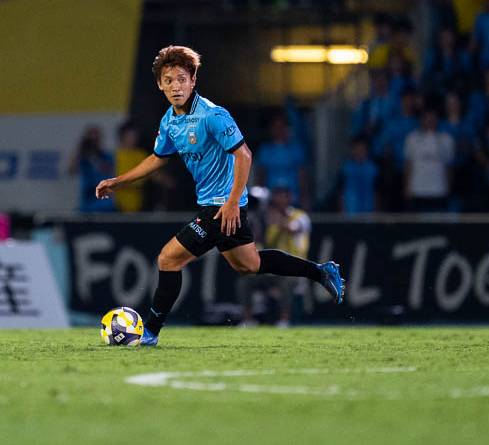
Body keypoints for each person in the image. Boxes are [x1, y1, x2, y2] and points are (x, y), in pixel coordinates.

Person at [95, 46, 344, 346]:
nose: (176, 86)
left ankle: (150, 331)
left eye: (182, 79)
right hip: (218, 205)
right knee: (249, 265)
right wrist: (118, 182)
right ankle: (321, 272)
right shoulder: (170, 120)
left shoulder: (213, 115)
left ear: (193, 80)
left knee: (168, 259)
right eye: (169, 80)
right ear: (160, 84)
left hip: (222, 207)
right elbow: (158, 158)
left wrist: (232, 201)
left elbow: (244, 155)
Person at [237, 187, 310, 328]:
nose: (279, 200)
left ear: (289, 198)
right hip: (273, 270)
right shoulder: (269, 221)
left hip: (295, 268)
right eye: (277, 197)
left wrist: (277, 219)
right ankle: (248, 320)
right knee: (245, 279)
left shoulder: (300, 216)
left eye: (283, 196)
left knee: (286, 279)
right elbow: (262, 244)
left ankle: (284, 320)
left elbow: (293, 229)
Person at [403, 108, 455, 211]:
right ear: (422, 120)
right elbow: (408, 165)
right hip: (417, 190)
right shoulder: (411, 138)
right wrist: (406, 187)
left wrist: (448, 187)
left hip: (439, 190)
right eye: (427, 118)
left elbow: (449, 167)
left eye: (433, 118)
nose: (430, 121)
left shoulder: (446, 139)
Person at [255, 113, 310, 209]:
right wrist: (260, 201)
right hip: (271, 203)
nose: (279, 129)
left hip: (294, 202)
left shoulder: (296, 150)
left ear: (287, 128)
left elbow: (302, 178)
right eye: (276, 126)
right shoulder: (265, 150)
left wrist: (305, 201)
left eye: (282, 126)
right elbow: (260, 177)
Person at [68, 125, 114, 212]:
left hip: (105, 205)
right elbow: (70, 170)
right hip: (87, 205)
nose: (93, 143)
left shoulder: (107, 157)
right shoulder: (83, 159)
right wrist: (80, 149)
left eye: (96, 139)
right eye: (91, 140)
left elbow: (107, 170)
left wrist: (94, 158)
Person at [113, 121, 149, 212]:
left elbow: (145, 177)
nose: (134, 138)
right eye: (130, 135)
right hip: (118, 205)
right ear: (122, 136)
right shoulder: (115, 156)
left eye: (135, 135)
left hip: (137, 205)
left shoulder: (141, 155)